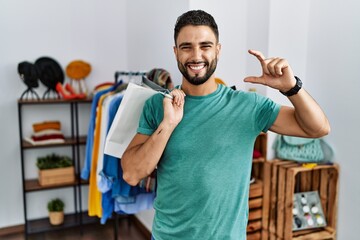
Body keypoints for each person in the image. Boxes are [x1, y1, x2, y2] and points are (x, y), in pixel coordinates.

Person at [121, 10, 330, 240]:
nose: (196, 55)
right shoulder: (158, 106)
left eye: (205, 46)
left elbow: (318, 128)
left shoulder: (248, 106)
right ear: (175, 52)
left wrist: (291, 88)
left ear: (218, 50)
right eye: (186, 47)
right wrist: (168, 124)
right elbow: (132, 174)